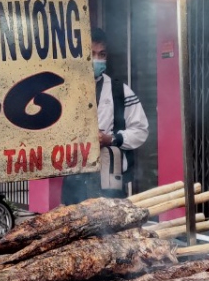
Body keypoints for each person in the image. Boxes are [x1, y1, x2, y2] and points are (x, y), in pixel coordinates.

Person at [60, 27, 150, 205]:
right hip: (74, 179)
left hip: (109, 182)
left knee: (111, 229)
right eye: (92, 54)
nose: (97, 60)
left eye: (102, 54)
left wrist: (112, 138)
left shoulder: (119, 91)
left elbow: (141, 131)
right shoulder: (64, 90)